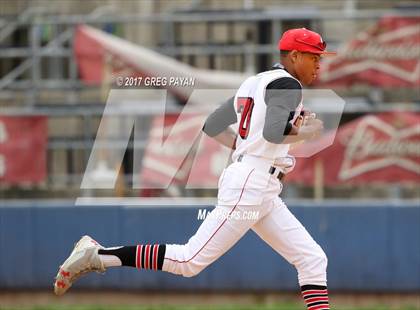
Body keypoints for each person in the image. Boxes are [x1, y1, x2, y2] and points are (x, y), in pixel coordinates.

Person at [54, 28, 334, 310]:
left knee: (312, 259)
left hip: (260, 185)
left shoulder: (254, 82)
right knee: (188, 261)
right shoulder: (288, 85)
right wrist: (305, 132)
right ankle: (99, 254)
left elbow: (212, 124)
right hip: (252, 184)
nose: (319, 64)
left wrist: (251, 142)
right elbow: (275, 133)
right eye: (314, 57)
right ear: (295, 56)